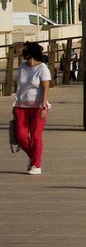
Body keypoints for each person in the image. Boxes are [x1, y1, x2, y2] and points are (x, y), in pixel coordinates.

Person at [12, 41, 50, 174]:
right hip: (21, 105)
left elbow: (45, 89)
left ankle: (36, 165)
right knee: (21, 137)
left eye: (25, 51)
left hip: (37, 106)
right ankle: (34, 157)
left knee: (35, 136)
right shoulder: (22, 67)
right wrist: (15, 104)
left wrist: (43, 107)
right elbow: (20, 87)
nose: (23, 54)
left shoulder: (42, 68)